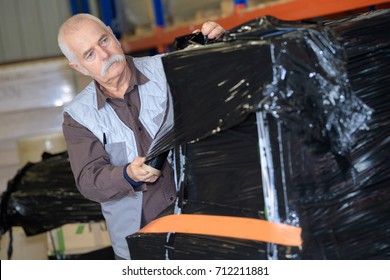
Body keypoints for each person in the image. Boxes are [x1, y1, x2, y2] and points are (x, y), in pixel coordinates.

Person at [58, 13, 225, 259]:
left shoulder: (168, 69)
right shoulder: (78, 117)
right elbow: (89, 180)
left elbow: (222, 84)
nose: (104, 55)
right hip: (142, 248)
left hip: (208, 227)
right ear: (78, 67)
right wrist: (127, 174)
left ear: (112, 34)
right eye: (90, 54)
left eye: (103, 41)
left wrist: (220, 43)